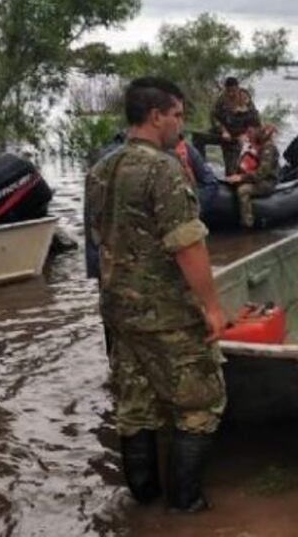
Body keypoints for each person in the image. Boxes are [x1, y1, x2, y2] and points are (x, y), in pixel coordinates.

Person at [87, 77, 227, 513]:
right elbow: (187, 243)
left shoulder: (100, 169)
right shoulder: (163, 169)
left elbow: (99, 238)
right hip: (164, 312)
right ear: (155, 116)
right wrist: (212, 307)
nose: (180, 126)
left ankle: (143, 499)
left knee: (135, 403)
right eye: (177, 116)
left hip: (118, 311)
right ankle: (185, 504)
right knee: (201, 402)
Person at [225, 124, 279, 228]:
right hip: (256, 178)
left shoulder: (269, 148)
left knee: (243, 190)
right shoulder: (254, 146)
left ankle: (247, 223)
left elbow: (262, 173)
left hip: (267, 182)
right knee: (235, 184)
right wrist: (237, 176)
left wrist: (241, 178)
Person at [208, 77, 261, 175]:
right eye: (228, 91)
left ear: (238, 88)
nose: (231, 94)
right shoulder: (221, 99)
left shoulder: (245, 98)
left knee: (245, 164)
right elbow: (214, 117)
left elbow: (255, 120)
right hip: (228, 135)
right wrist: (222, 130)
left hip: (244, 135)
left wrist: (247, 135)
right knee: (230, 168)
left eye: (233, 91)